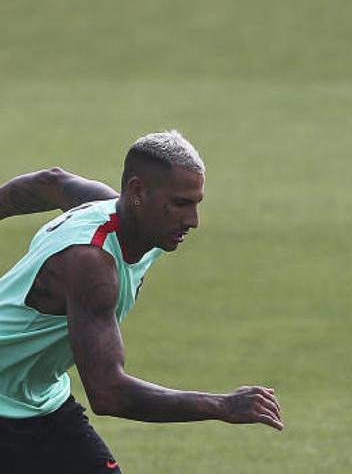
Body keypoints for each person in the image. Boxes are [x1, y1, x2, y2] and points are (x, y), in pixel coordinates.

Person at [0, 131, 283, 474]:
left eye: (196, 203)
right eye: (180, 203)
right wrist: (221, 405)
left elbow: (51, 181)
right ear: (137, 192)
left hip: (37, 400)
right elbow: (108, 392)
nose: (193, 220)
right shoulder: (91, 264)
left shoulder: (121, 216)